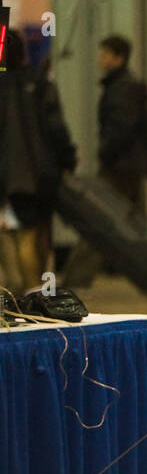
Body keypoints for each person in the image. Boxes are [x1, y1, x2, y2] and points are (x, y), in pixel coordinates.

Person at [0, 33, 77, 292]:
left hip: (8, 178)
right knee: (37, 234)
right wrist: (68, 159)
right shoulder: (41, 85)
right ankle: (38, 292)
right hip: (41, 175)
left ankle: (22, 291)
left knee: (14, 236)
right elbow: (56, 130)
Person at [96, 34, 147, 212]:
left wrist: (105, 153)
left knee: (120, 215)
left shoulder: (123, 87)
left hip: (123, 164)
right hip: (126, 162)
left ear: (119, 58)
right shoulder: (120, 85)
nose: (100, 59)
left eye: (106, 54)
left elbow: (121, 127)